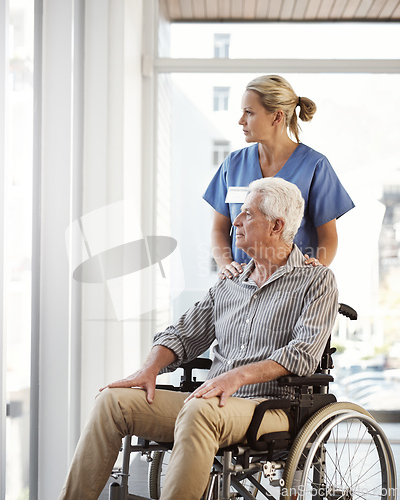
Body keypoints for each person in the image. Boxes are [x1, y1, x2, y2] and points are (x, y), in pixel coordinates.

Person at [58, 178, 339, 500]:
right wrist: (148, 369)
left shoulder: (316, 280)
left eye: (247, 214)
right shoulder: (229, 284)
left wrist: (237, 376)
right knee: (112, 400)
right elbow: (180, 335)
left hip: (270, 406)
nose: (235, 222)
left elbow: (303, 354)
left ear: (277, 225)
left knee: (199, 409)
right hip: (211, 403)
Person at [203, 74, 354, 279]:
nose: (241, 121)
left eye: (249, 113)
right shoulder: (233, 165)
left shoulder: (315, 166)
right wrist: (226, 265)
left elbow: (328, 237)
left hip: (293, 287)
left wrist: (315, 272)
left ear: (277, 116)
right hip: (240, 286)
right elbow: (219, 229)